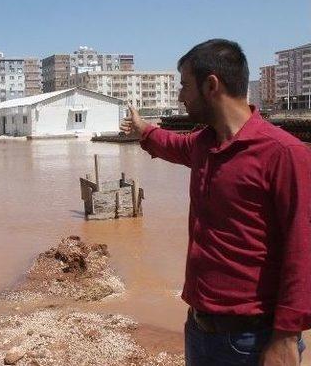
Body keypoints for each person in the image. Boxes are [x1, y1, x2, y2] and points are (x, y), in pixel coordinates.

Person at [120, 39, 311, 366]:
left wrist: (285, 337)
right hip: (199, 328)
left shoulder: (283, 153)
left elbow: (303, 248)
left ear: (211, 85)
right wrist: (143, 130)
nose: (180, 96)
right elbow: (172, 144)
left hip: (252, 340)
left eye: (184, 86)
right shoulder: (204, 144)